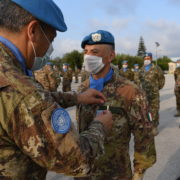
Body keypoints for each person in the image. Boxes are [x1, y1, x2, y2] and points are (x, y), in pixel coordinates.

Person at [0, 0, 114, 179]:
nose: (49, 49)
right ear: (33, 31)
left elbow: (22, 102)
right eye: (51, 40)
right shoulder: (20, 88)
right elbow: (77, 160)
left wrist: (76, 98)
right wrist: (100, 126)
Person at [75, 30, 156, 180]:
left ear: (111, 56)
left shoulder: (130, 91)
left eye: (95, 52)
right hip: (84, 173)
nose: (88, 57)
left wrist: (138, 174)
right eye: (86, 52)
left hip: (115, 173)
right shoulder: (82, 89)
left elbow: (144, 138)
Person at [139, 52, 165, 135]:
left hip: (154, 95)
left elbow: (162, 80)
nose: (146, 60)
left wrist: (156, 88)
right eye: (145, 58)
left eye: (148, 58)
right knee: (145, 110)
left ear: (151, 58)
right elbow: (137, 81)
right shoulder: (141, 69)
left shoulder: (157, 68)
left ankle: (154, 126)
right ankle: (147, 125)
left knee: (154, 110)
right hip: (144, 95)